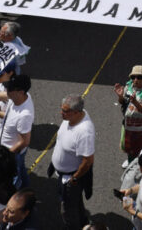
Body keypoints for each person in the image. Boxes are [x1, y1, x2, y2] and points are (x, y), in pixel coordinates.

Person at [49, 94, 95, 230]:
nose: (61, 113)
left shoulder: (84, 132)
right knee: (77, 204)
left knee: (68, 211)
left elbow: (88, 161)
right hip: (63, 173)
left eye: (65, 111)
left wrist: (74, 179)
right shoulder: (72, 118)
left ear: (76, 112)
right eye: (62, 109)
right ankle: (84, 223)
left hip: (70, 178)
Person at [0, 73, 34, 189]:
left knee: (12, 183)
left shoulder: (24, 115)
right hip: (9, 151)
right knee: (21, 170)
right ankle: (26, 191)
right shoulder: (15, 97)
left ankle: (17, 199)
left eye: (11, 88)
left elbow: (25, 141)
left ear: (20, 92)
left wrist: (6, 155)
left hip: (12, 153)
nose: (7, 90)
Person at [116, 65, 142, 162]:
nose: (135, 80)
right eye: (133, 77)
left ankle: (141, 166)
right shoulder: (129, 86)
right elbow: (122, 102)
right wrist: (120, 96)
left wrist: (135, 102)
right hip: (129, 125)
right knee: (130, 147)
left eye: (139, 77)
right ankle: (131, 162)